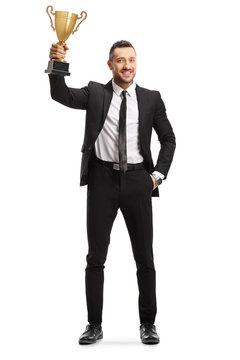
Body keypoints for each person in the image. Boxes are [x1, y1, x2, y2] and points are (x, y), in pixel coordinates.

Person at [47, 40, 176, 345]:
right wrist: (57, 63)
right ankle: (94, 324)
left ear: (136, 63)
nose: (127, 65)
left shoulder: (151, 99)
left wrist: (156, 175)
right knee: (95, 257)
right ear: (110, 65)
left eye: (131, 60)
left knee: (145, 257)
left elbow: (168, 139)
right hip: (102, 179)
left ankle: (148, 324)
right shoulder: (96, 93)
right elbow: (60, 94)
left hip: (138, 182)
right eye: (120, 61)